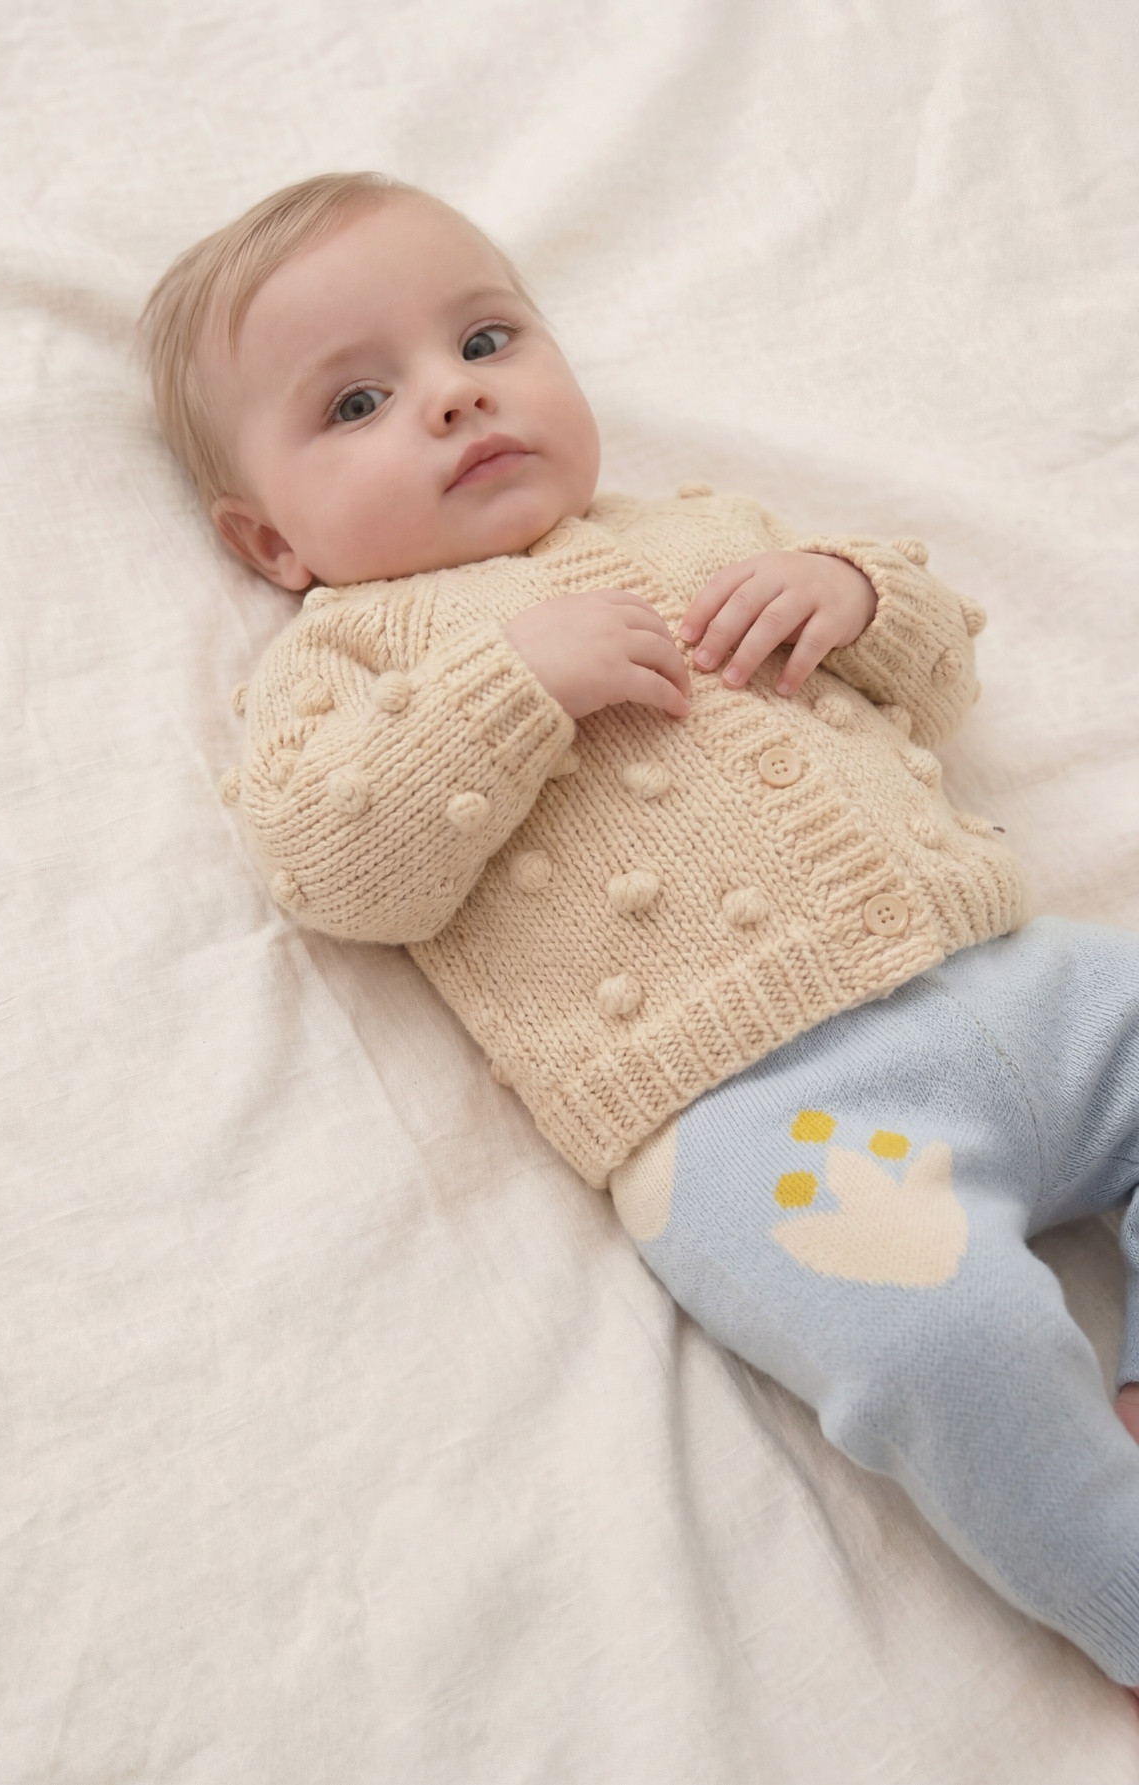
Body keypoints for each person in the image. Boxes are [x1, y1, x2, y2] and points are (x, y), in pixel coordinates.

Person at [141, 172, 1139, 1691]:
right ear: (270, 542)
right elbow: (337, 865)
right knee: (941, 1349)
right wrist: (509, 687)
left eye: (486, 340)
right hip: (760, 1115)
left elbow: (938, 683)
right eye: (356, 402)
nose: (454, 398)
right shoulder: (341, 656)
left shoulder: (704, 526)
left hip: (1019, 982)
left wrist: (853, 593)